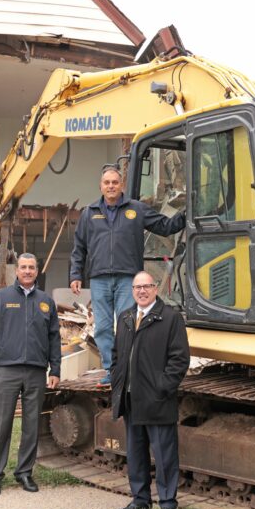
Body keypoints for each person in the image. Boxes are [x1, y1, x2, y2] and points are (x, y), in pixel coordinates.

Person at [70, 164, 185, 387]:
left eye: (115, 182)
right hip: (99, 278)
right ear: (101, 186)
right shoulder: (89, 213)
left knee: (127, 325)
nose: (111, 186)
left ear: (121, 184)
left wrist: (185, 216)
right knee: (103, 327)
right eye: (107, 183)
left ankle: (127, 368)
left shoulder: (137, 209)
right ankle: (111, 370)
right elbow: (79, 247)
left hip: (127, 278)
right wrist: (75, 274)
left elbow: (164, 226)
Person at [0, 253, 61, 496]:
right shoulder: (2, 297)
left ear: (37, 271)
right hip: (7, 371)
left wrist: (55, 369)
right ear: (16, 271)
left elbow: (54, 338)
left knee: (31, 425)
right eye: (23, 267)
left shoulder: (46, 301)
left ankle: (25, 473)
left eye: (31, 268)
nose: (27, 271)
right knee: (0, 425)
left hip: (36, 372)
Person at [109, 270, 190, 509]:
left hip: (157, 400)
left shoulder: (169, 318)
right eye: (137, 288)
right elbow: (116, 356)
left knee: (164, 455)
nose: (141, 291)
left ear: (156, 289)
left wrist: (162, 387)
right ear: (132, 291)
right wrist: (117, 380)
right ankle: (140, 499)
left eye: (147, 286)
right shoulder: (125, 318)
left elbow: (179, 360)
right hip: (131, 399)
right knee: (135, 452)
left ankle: (167, 504)